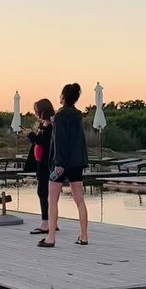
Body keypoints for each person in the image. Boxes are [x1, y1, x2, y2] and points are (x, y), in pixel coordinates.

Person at [38, 83, 89, 248]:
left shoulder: (60, 116)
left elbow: (60, 142)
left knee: (52, 199)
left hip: (61, 163)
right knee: (79, 200)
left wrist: (59, 164)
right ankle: (84, 236)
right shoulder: (77, 115)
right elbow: (78, 141)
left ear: (64, 97)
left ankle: (51, 237)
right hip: (77, 162)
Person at [27, 98, 55, 235]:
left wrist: (31, 135)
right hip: (40, 163)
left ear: (43, 110)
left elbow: (45, 143)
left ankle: (46, 223)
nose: (36, 113)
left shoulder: (51, 126)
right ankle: (51, 221)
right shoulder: (43, 125)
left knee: (44, 193)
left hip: (46, 164)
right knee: (44, 193)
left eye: (37, 110)